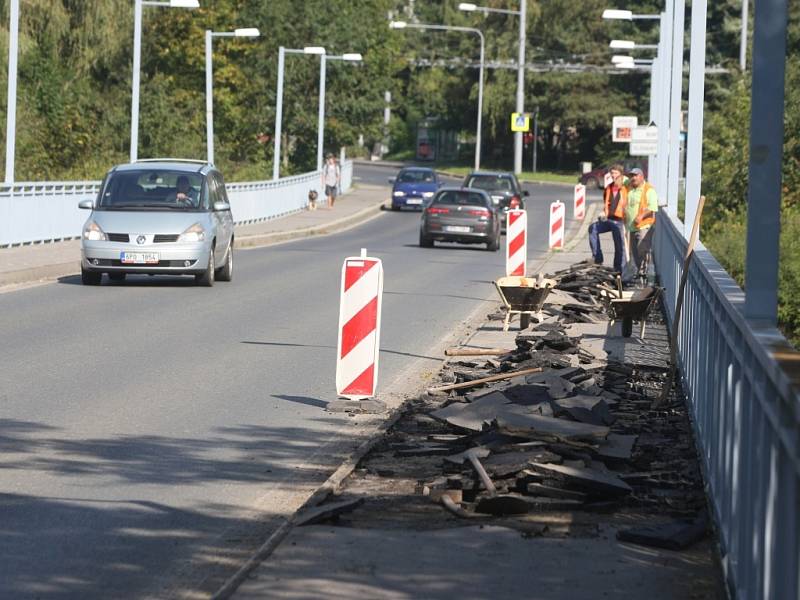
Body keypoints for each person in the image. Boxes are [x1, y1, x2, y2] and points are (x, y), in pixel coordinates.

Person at [588, 164, 628, 274]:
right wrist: (603, 212)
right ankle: (598, 257)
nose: (613, 175)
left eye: (615, 173)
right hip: (609, 219)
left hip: (620, 221)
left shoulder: (626, 188)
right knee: (593, 228)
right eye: (612, 173)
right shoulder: (609, 187)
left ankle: (619, 270)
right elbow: (607, 204)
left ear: (621, 174)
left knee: (619, 246)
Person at [624, 167, 658, 279]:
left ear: (642, 176)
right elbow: (620, 179)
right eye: (631, 176)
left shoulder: (649, 190)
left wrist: (641, 216)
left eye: (635, 175)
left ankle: (645, 273)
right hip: (632, 226)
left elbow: (652, 207)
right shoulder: (630, 187)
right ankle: (640, 273)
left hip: (644, 225)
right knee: (635, 252)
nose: (633, 178)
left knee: (642, 247)